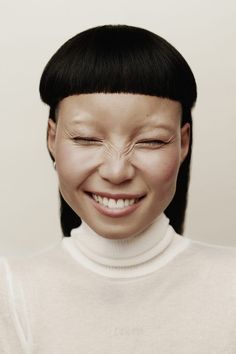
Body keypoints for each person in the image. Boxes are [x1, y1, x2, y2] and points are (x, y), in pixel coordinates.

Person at [0, 24, 235, 354]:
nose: (117, 170)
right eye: (85, 138)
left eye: (151, 141)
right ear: (52, 138)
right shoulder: (11, 292)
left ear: (183, 143)